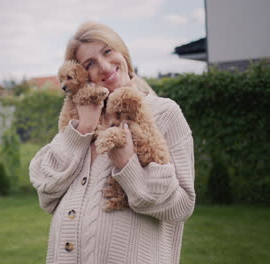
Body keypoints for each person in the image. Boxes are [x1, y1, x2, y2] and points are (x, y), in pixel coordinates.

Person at [29, 22, 195, 264]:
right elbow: (47, 195)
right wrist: (81, 130)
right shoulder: (79, 120)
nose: (104, 67)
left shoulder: (165, 113)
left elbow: (182, 206)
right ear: (82, 76)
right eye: (90, 64)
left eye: (107, 52)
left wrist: (128, 165)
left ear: (122, 53)